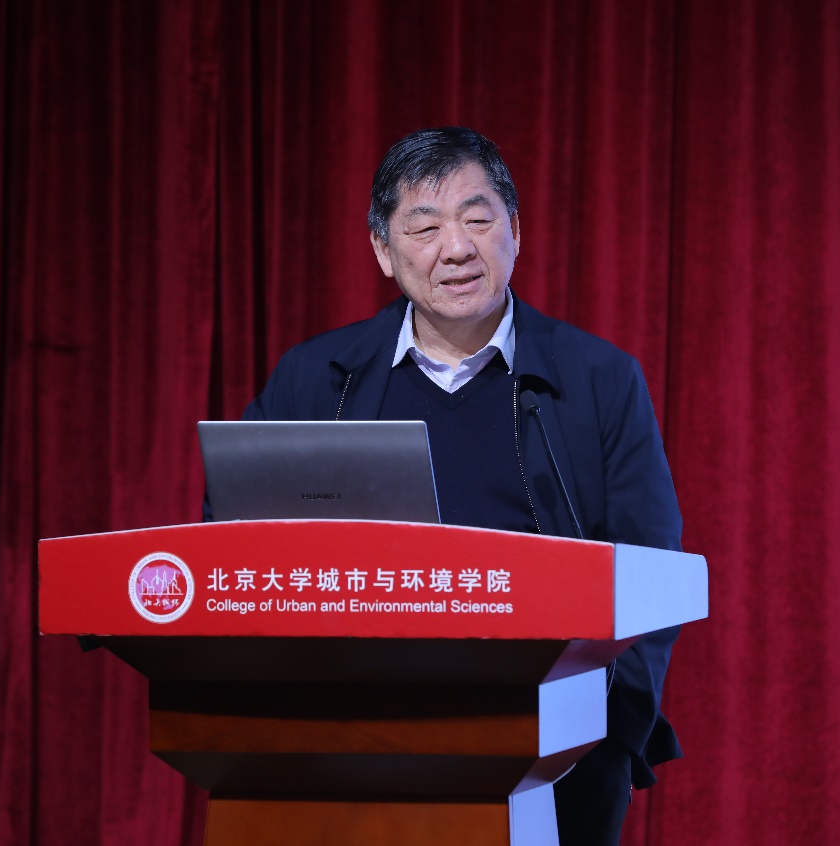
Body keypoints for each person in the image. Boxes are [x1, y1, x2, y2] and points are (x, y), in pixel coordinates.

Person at [242, 127, 683, 846]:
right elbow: (240, 540)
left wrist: (604, 729)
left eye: (477, 220)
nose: (455, 248)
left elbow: (652, 569)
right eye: (424, 228)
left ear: (515, 231)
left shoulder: (599, 380)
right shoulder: (316, 379)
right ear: (383, 251)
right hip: (352, 742)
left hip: (554, 750)